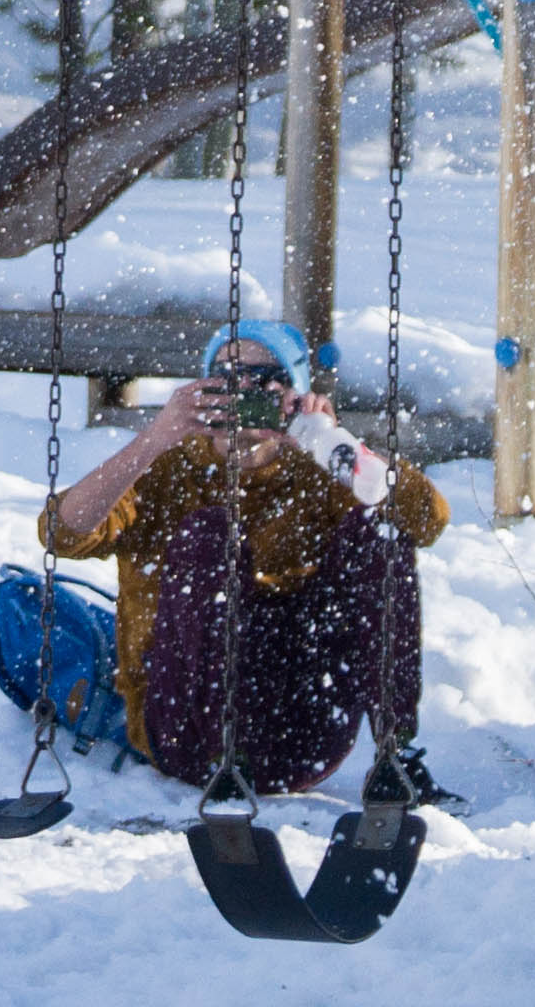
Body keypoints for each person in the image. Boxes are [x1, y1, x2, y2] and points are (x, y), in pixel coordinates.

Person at [33, 325, 449, 806]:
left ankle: (396, 753)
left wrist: (338, 445)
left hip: (304, 725)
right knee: (211, 533)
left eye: (267, 377)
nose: (247, 389)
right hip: (185, 727)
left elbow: (427, 520)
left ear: (295, 391)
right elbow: (61, 533)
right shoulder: (167, 468)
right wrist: (156, 437)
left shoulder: (319, 465)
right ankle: (224, 757)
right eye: (229, 375)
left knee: (378, 529)